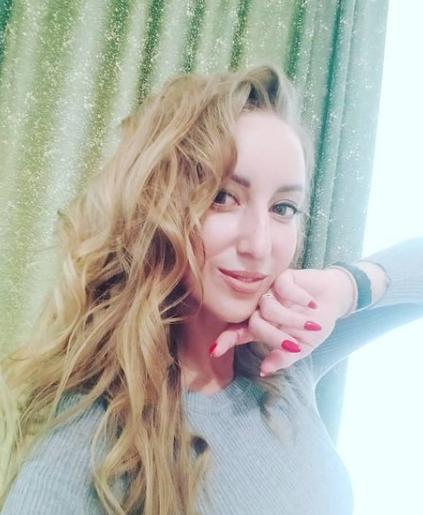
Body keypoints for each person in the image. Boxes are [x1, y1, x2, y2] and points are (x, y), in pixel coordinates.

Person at [0, 63, 422, 515]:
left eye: (283, 207)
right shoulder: (88, 442)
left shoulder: (284, 357)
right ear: (154, 205)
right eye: (223, 197)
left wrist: (348, 286)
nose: (259, 245)